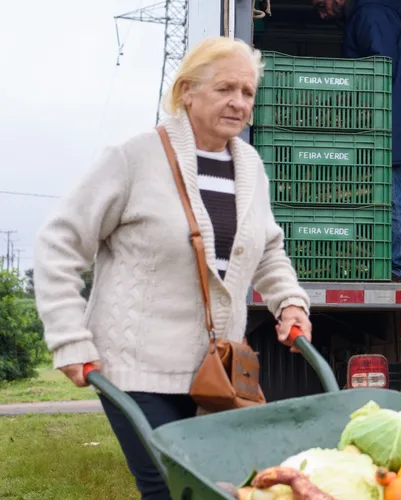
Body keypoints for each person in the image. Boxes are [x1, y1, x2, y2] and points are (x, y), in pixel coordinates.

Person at [32, 37, 313, 500]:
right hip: (135, 368)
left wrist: (290, 302)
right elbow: (58, 244)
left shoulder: (250, 166)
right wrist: (68, 337)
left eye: (247, 92)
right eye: (225, 89)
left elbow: (267, 250)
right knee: (170, 489)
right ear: (187, 92)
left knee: (217, 489)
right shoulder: (135, 157)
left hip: (218, 374)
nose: (238, 102)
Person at [313, 0, 401, 282]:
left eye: (321, 5)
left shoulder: (371, 14)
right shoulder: (365, 14)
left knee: (388, 194)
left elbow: (380, 69)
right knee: (381, 194)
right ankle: (385, 265)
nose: (322, 15)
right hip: (379, 123)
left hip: (385, 125)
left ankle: (396, 269)